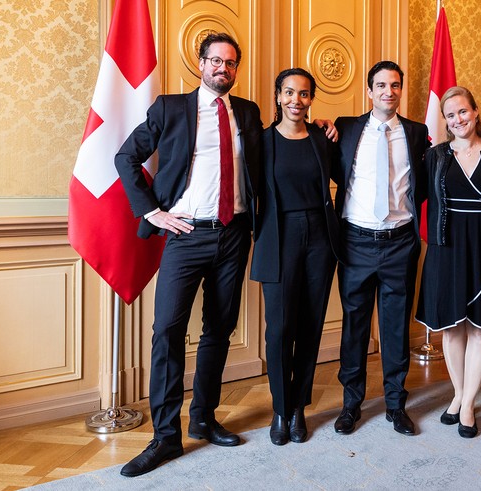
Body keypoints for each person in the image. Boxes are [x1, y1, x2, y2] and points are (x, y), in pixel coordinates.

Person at [114, 32, 263, 477]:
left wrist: (323, 129)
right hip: (184, 236)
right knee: (168, 333)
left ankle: (203, 416)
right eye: (216, 61)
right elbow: (126, 158)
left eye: (231, 63)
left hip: (233, 235)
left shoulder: (249, 113)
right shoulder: (170, 108)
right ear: (201, 64)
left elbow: (276, 149)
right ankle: (165, 438)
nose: (223, 68)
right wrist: (152, 212)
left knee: (219, 330)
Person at [331, 61, 430, 436]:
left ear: (401, 91)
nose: (389, 91)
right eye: (381, 85)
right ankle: (350, 405)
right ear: (369, 92)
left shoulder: (417, 133)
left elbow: (423, 183)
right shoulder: (345, 127)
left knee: (394, 327)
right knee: (354, 326)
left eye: (395, 85)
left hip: (400, 242)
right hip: (355, 242)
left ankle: (395, 405)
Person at [415, 86, 481, 439]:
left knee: (480, 328)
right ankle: (457, 394)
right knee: (451, 327)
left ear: (475, 112)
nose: (458, 119)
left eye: (463, 111)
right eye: (450, 115)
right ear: (444, 121)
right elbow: (409, 192)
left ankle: (469, 403)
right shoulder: (435, 156)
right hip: (447, 246)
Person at [249, 68, 342, 446]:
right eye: (289, 93)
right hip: (279, 236)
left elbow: (349, 170)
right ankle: (280, 407)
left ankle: (299, 406)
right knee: (280, 330)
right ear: (277, 96)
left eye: (303, 94)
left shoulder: (322, 137)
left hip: (320, 236)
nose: (295, 101)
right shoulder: (262, 141)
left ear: (311, 100)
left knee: (310, 326)